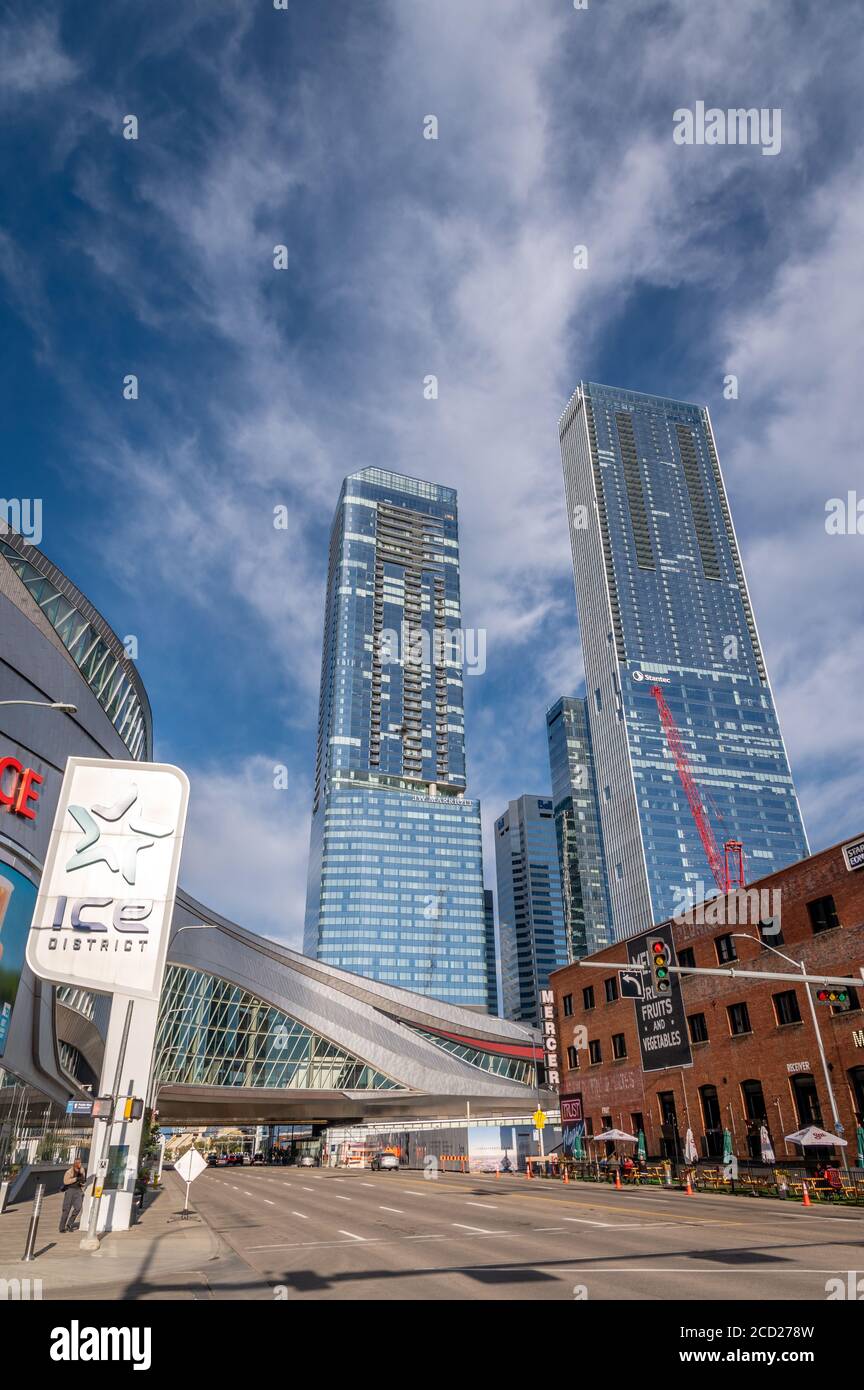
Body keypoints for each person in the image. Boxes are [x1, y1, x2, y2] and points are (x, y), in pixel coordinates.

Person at [59, 1158, 87, 1233]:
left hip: (78, 1191)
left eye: (80, 1163)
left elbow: (83, 1181)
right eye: (78, 1163)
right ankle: (62, 1227)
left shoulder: (82, 1170)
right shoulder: (69, 1172)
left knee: (78, 1207)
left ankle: (69, 1224)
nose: (79, 1164)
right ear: (75, 1163)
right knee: (66, 1209)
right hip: (70, 1190)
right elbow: (65, 1181)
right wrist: (76, 1179)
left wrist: (82, 1182)